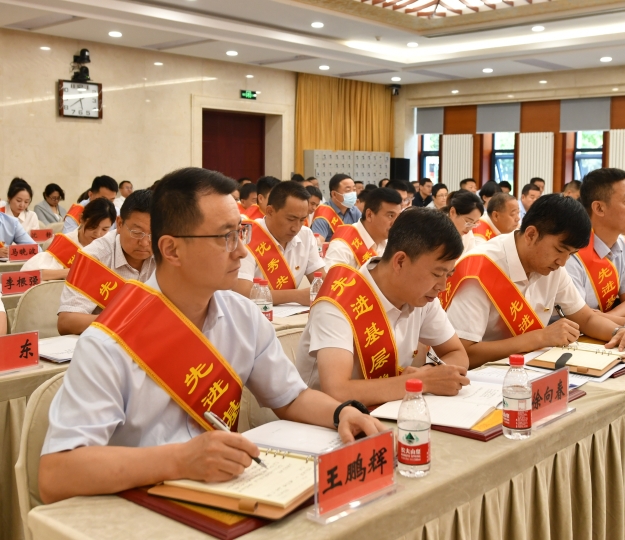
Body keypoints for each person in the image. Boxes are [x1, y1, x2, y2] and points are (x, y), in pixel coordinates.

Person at [38, 167, 382, 504]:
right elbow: (56, 475)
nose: (242, 251)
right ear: (171, 250)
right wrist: (180, 460)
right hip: (140, 506)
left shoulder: (242, 316)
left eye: (241, 232)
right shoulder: (108, 343)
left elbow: (291, 397)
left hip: (226, 495)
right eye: (224, 237)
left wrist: (341, 413)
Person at [295, 208, 470, 405]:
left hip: (388, 409)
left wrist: (429, 374)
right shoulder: (338, 302)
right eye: (437, 274)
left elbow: (458, 354)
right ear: (400, 261)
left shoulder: (422, 297)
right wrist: (421, 382)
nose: (442, 286)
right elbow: (337, 391)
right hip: (328, 418)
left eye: (448, 275)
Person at [444, 195, 625, 368]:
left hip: (527, 369)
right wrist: (540, 338)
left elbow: (586, 318)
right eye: (560, 250)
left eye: (571, 254)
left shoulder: (552, 268)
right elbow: (463, 353)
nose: (562, 262)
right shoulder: (479, 270)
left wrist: (618, 332)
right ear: (531, 235)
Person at [57, 190, 155, 335]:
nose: (145, 242)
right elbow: (67, 322)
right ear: (119, 224)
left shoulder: (167, 252)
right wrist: (125, 320)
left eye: (154, 233)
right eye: (136, 232)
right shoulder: (94, 257)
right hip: (106, 341)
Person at [565, 168, 625, 317]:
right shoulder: (571, 252)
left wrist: (603, 319)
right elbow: (578, 319)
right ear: (599, 208)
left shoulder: (620, 244)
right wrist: (597, 321)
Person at [234, 181, 325, 305]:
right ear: (270, 211)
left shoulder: (306, 235)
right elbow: (243, 292)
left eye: (302, 220)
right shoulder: (247, 236)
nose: (296, 228)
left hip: (293, 315)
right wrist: (296, 296)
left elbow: (321, 281)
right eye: (291, 219)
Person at [22, 199, 116, 281]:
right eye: (93, 226)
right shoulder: (65, 243)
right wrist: (69, 272)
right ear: (82, 219)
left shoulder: (110, 248)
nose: (98, 233)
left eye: (105, 229)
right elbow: (30, 274)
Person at [324, 188, 402, 270]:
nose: (396, 222)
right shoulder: (342, 245)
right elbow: (332, 277)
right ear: (369, 215)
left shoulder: (392, 242)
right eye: (390, 216)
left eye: (399, 216)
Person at [311, 174, 361, 242]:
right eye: (348, 190)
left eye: (354, 190)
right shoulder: (323, 213)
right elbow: (318, 244)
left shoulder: (354, 210)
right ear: (334, 194)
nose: (352, 194)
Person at [443, 190, 484, 255]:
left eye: (474, 223)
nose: (470, 228)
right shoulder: (437, 231)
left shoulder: (467, 234)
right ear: (452, 212)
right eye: (468, 222)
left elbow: (471, 255)